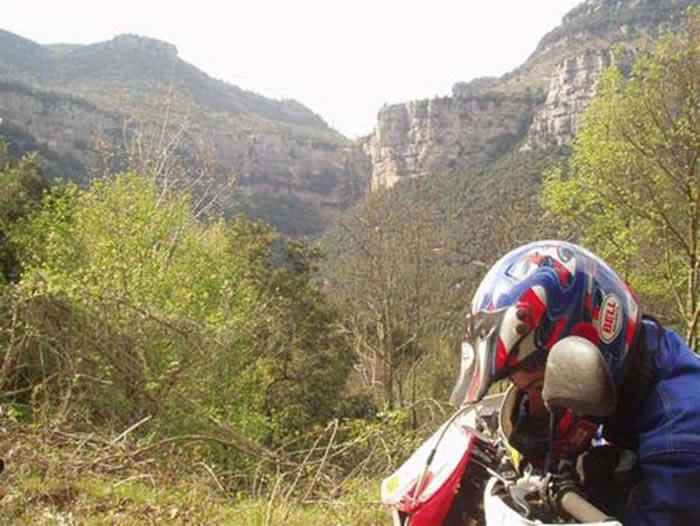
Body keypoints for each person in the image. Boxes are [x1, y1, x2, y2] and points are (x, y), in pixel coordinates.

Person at [450, 240, 700, 526]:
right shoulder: (639, 361)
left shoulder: (679, 446)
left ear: (587, 350)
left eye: (541, 386)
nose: (538, 402)